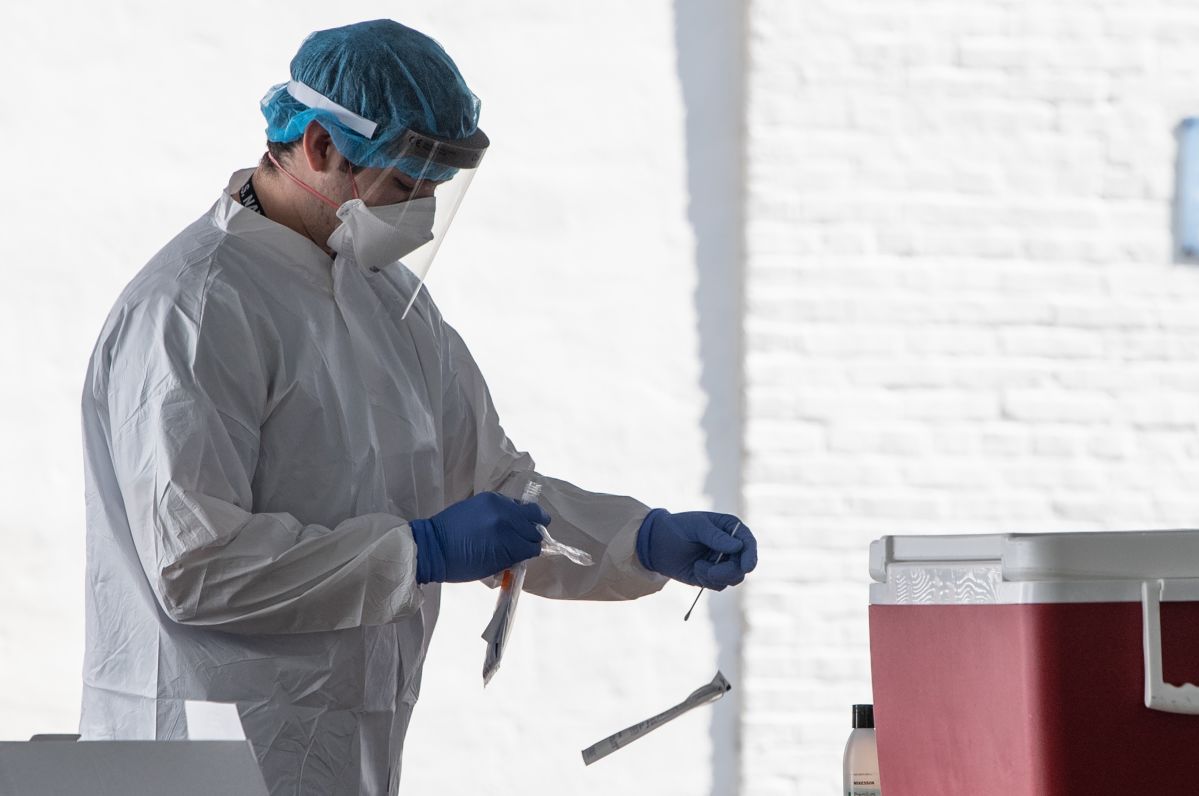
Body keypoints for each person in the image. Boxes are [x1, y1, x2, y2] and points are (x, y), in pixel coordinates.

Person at [78, 19, 757, 796]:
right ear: (320, 147)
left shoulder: (389, 302)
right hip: (207, 751)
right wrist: (416, 551)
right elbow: (196, 565)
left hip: (351, 745)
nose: (422, 209)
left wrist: (640, 539)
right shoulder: (196, 307)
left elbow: (492, 489)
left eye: (435, 186)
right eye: (405, 183)